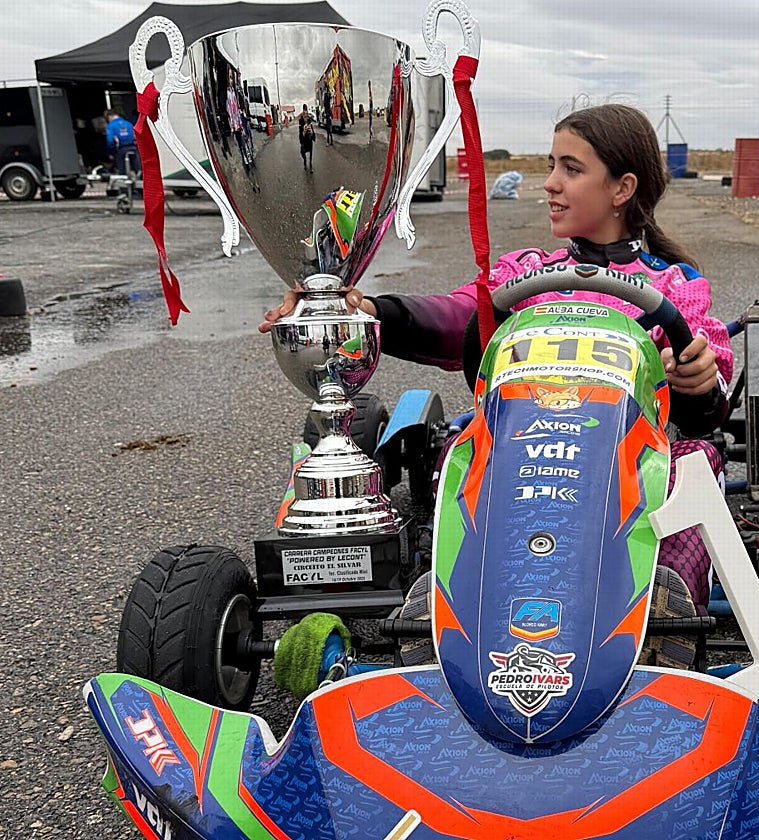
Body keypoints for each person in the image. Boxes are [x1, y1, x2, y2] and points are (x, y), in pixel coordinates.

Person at [261, 104, 731, 609]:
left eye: (570, 169)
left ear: (622, 189)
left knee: (697, 464)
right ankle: (449, 606)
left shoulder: (673, 288)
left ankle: (665, 616)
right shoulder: (529, 276)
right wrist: (360, 308)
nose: (549, 183)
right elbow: (452, 318)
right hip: (523, 451)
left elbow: (708, 413)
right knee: (460, 449)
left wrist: (697, 380)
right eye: (551, 165)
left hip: (625, 469)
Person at [105, 110, 140, 177]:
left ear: (110, 117)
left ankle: (124, 182)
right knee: (137, 167)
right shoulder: (128, 124)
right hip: (133, 148)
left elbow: (110, 140)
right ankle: (139, 178)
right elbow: (135, 136)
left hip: (121, 149)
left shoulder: (111, 125)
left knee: (122, 169)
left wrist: (111, 149)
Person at [297, 104, 316, 172]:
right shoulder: (301, 121)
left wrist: (312, 132)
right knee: (303, 153)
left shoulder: (309, 120)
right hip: (304, 140)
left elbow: (312, 130)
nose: (306, 115)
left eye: (307, 113)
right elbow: (300, 132)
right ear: (303, 113)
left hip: (309, 139)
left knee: (311, 152)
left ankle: (310, 165)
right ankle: (305, 162)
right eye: (304, 114)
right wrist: (303, 132)